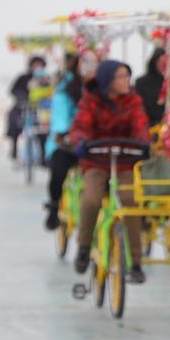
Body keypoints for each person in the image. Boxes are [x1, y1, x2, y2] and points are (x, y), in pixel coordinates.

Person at [69, 59, 150, 283]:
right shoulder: (90, 101)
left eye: (127, 76)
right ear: (108, 81)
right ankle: (83, 247)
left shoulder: (133, 100)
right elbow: (79, 127)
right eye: (121, 77)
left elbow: (140, 125)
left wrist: (143, 142)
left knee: (130, 201)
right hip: (96, 161)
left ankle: (135, 261)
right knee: (91, 199)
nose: (126, 81)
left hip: (125, 162)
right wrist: (82, 142)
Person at [43, 52, 96, 230]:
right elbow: (60, 115)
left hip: (95, 142)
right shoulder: (66, 88)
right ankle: (54, 205)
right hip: (67, 143)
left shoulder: (103, 87)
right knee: (59, 167)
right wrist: (64, 133)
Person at [134, 47, 170, 127]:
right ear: (155, 62)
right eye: (162, 62)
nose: (167, 65)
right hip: (152, 127)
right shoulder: (142, 83)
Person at [6, 55, 45, 163]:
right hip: (22, 106)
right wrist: (23, 97)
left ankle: (43, 155)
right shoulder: (23, 78)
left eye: (40, 65)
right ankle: (14, 147)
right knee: (12, 117)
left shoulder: (45, 78)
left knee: (43, 127)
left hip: (40, 108)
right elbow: (13, 90)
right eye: (36, 65)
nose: (38, 67)